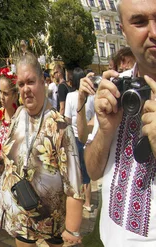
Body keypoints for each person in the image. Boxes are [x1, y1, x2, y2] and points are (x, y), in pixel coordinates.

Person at [84, 0, 156, 244]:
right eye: (139, 22)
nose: (153, 32)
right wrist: (105, 131)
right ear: (123, 31)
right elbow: (92, 171)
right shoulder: (117, 88)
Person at [0, 52, 84, 246]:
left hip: (51, 222)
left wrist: (71, 230)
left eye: (30, 82)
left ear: (43, 82)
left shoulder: (60, 127)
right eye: (21, 84)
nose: (25, 89)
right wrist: (2, 164)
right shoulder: (19, 115)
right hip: (20, 217)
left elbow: (75, 188)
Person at [64, 68, 95, 212]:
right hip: (90, 138)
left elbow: (67, 120)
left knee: (76, 171)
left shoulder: (70, 96)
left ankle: (78, 200)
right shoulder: (92, 97)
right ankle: (88, 202)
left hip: (76, 138)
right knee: (87, 171)